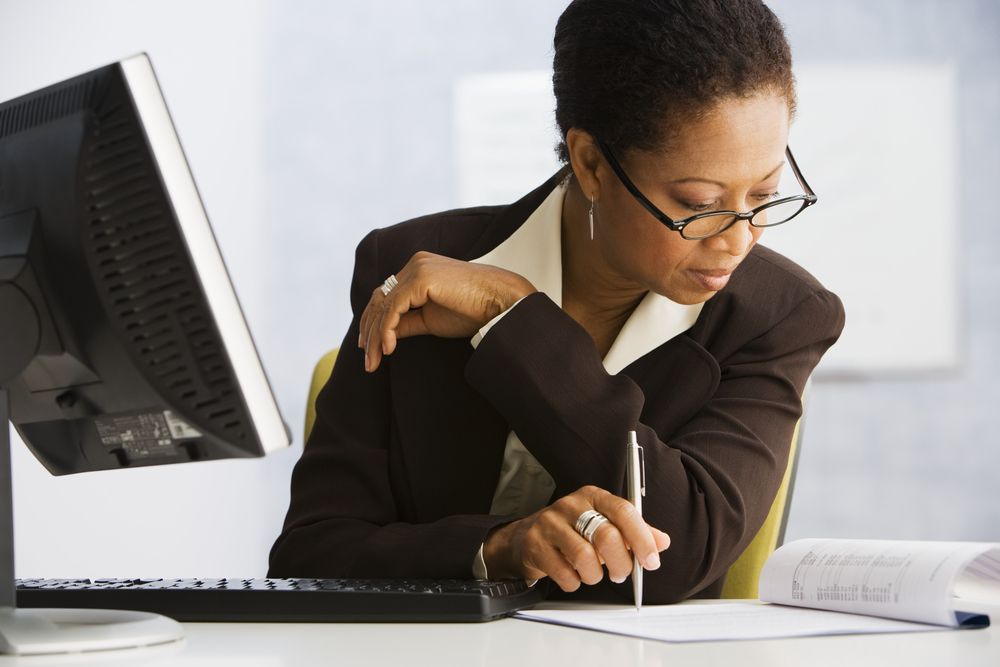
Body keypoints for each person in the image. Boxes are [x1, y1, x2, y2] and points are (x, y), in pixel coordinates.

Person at [268, 0, 845, 604]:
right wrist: (496, 550)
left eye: (765, 194)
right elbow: (311, 556)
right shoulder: (410, 267)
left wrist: (514, 318)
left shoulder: (780, 314)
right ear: (591, 164)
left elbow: (677, 552)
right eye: (699, 204)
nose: (738, 239)